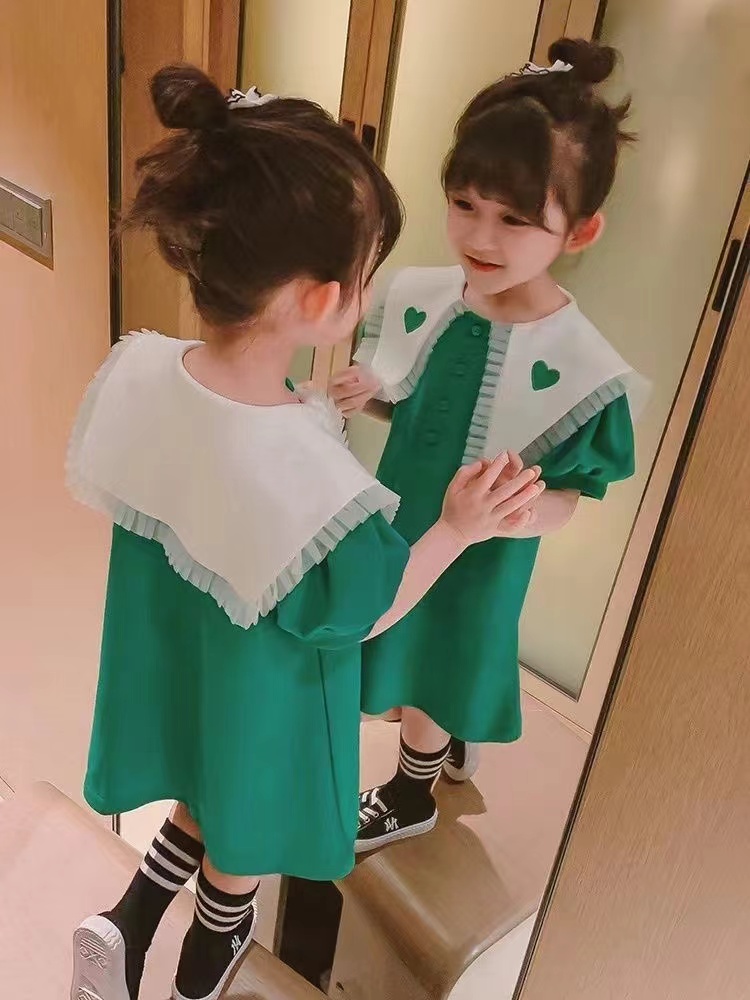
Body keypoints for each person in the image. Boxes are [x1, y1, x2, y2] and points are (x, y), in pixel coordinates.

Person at [67, 66, 541, 1000]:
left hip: (182, 667)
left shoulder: (144, 373)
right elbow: (364, 612)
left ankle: (123, 924)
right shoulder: (313, 482)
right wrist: (457, 526)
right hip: (264, 694)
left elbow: (212, 463)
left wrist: (320, 410)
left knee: (200, 793)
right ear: (325, 301)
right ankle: (201, 975)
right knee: (241, 839)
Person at [330, 38, 646, 852]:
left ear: (580, 231)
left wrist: (512, 515)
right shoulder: (428, 300)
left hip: (485, 553)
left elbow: (574, 497)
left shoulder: (579, 365)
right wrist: (370, 391)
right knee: (407, 639)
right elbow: (414, 408)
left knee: (445, 649)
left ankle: (411, 791)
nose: (481, 236)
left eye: (515, 219)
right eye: (464, 204)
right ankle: (441, 744)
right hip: (408, 515)